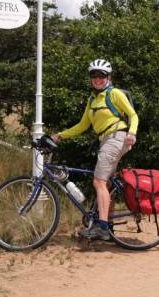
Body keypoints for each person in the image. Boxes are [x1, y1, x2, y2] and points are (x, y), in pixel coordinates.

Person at [51, 58, 138, 240]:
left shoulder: (114, 94)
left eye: (102, 76)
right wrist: (60, 135)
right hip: (106, 140)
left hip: (117, 137)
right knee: (105, 184)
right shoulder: (92, 100)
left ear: (109, 77)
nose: (98, 79)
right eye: (94, 75)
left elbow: (133, 115)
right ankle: (109, 227)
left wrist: (132, 133)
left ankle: (102, 228)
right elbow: (82, 125)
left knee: (98, 182)